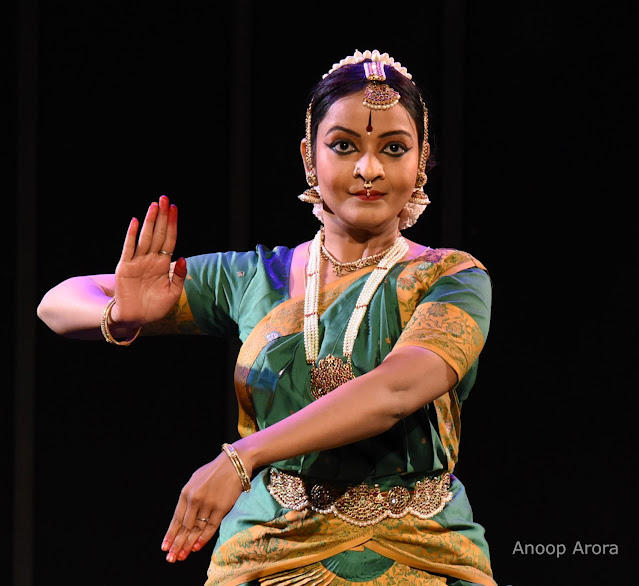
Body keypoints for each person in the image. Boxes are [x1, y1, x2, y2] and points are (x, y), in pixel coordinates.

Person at [37, 49, 496, 586]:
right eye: (344, 146)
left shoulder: (451, 278)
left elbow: (396, 390)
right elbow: (55, 304)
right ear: (309, 157)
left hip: (421, 551)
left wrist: (242, 458)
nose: (368, 169)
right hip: (268, 549)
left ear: (420, 161)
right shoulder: (254, 278)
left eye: (393, 149)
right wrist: (118, 315)